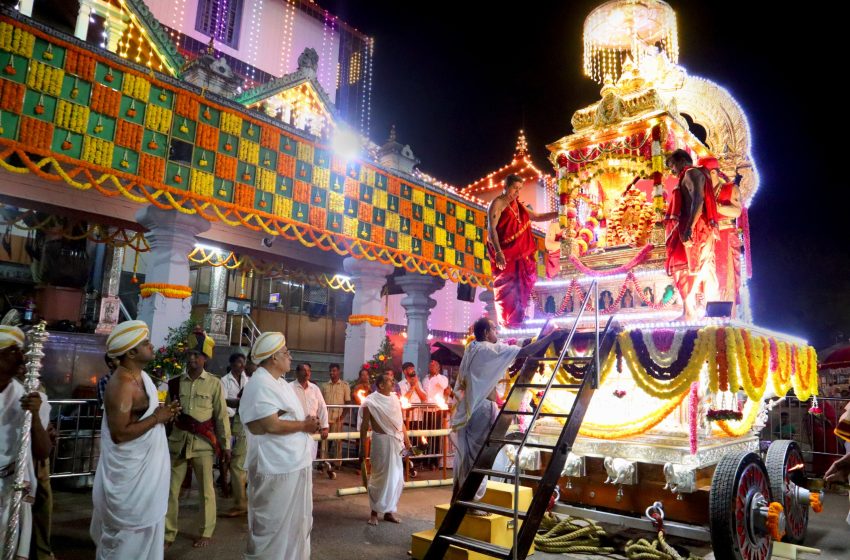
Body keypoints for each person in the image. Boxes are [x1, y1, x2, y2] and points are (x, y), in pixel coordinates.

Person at [91, 320, 180, 560]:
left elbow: (147, 416)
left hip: (145, 478)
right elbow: (119, 434)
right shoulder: (121, 384)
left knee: (146, 539)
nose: (151, 346)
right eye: (145, 343)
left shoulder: (143, 378)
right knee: (124, 545)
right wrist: (157, 418)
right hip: (129, 480)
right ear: (131, 352)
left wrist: (164, 415)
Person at [451, 317, 563, 503]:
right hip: (483, 409)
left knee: (466, 456)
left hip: (469, 409)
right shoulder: (490, 349)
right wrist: (551, 337)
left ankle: (459, 495)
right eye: (494, 329)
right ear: (486, 333)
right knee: (479, 457)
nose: (498, 332)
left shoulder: (472, 348)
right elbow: (525, 351)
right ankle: (471, 501)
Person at [239, 332, 321, 560]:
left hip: (292, 463)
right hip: (275, 468)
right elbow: (270, 425)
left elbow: (283, 415)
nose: (290, 357)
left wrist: (307, 422)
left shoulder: (279, 384)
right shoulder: (260, 384)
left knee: (295, 524)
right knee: (272, 528)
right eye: (286, 353)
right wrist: (304, 426)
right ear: (273, 358)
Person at [164, 346, 231, 548]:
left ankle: (206, 532)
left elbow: (221, 416)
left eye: (196, 355)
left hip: (203, 444)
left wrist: (226, 444)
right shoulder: (175, 383)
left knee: (206, 490)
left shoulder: (214, 383)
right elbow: (168, 413)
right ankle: (168, 534)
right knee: (170, 491)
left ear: (205, 359)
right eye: (189, 355)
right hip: (178, 443)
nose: (192, 358)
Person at [1, 325, 51, 560]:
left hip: (9, 488)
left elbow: (43, 452)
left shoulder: (28, 396)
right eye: (13, 351)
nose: (22, 356)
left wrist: (34, 420)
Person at [487, 174, 558, 327]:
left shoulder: (518, 205)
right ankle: (507, 322)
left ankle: (519, 318)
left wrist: (558, 213)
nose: (517, 193)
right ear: (506, 186)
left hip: (521, 254)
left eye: (519, 189)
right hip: (506, 254)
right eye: (514, 188)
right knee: (507, 289)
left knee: (522, 286)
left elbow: (537, 217)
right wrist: (498, 252)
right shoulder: (497, 204)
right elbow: (491, 229)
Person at [664, 149, 719, 320]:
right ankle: (689, 310)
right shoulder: (687, 175)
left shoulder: (691, 173)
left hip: (696, 229)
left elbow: (698, 200)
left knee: (694, 268)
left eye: (672, 165)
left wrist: (689, 227)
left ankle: (696, 311)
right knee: (683, 269)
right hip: (690, 227)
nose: (672, 170)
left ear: (681, 160)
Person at [359, 372, 411, 526]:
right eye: (388, 380)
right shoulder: (371, 402)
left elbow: (400, 422)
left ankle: (389, 511)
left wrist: (407, 441)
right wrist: (362, 447)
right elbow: (364, 426)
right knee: (379, 477)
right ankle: (374, 513)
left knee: (396, 478)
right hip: (381, 442)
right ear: (381, 385)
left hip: (396, 442)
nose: (392, 382)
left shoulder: (395, 399)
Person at [699, 156, 743, 307]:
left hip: (726, 234)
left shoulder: (730, 188)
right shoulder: (703, 194)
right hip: (707, 238)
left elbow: (737, 212)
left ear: (712, 173)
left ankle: (726, 311)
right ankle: (708, 308)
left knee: (725, 275)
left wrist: (717, 208)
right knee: (708, 275)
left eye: (703, 176)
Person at [220, 352, 252, 518]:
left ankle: (241, 502)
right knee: (231, 459)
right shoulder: (224, 381)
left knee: (238, 463)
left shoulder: (249, 380)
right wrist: (240, 404)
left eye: (244, 362)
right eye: (239, 362)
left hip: (243, 422)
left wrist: (241, 403)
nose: (242, 365)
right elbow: (222, 401)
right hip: (231, 420)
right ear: (232, 364)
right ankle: (233, 493)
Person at [289, 363, 329, 463]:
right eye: (304, 370)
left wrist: (325, 427)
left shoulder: (315, 389)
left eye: (309, 371)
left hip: (312, 431)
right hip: (296, 431)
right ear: (297, 373)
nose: (307, 373)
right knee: (295, 461)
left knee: (309, 460)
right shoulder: (289, 388)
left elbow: (322, 408)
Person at [320, 363, 350, 476]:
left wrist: (342, 417)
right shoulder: (324, 386)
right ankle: (323, 461)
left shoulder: (344, 385)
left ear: (339, 372)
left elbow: (348, 402)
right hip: (326, 418)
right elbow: (321, 401)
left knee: (338, 441)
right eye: (330, 371)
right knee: (324, 440)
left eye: (334, 371)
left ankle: (337, 463)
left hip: (338, 418)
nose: (332, 373)